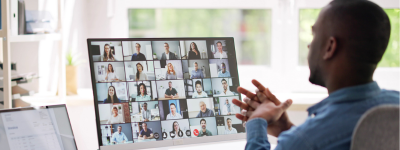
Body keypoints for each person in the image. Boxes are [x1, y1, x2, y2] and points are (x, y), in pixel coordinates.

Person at [232, 1, 399, 150]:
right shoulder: (395, 104)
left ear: (330, 47)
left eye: (314, 34)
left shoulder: (305, 141)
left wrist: (256, 122)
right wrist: (287, 129)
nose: (309, 45)